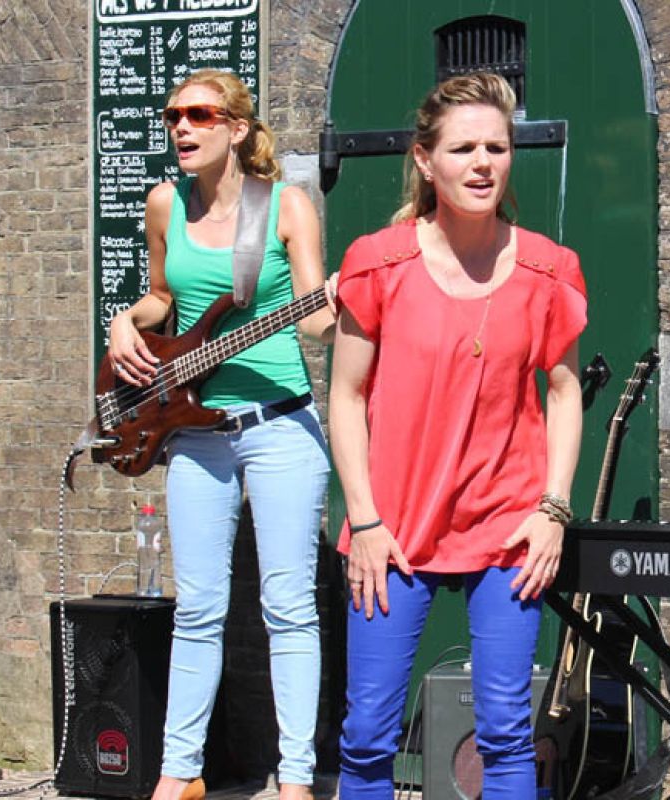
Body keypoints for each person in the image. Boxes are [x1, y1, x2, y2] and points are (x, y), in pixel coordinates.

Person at [328, 71, 585, 799]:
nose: (482, 163)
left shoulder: (548, 270)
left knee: (505, 732)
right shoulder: (377, 262)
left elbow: (563, 394)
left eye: (497, 148)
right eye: (464, 147)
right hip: (392, 530)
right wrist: (364, 517)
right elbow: (344, 397)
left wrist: (553, 508)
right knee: (368, 735)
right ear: (423, 159)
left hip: (507, 529)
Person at [106, 68, 334, 800]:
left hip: (279, 425)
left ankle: (295, 779)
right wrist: (122, 322)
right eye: (173, 115)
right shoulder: (163, 204)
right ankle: (180, 774)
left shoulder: (287, 207)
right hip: (194, 431)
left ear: (236, 127)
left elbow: (313, 316)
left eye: (199, 115)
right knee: (198, 608)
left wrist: (346, 306)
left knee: (289, 607)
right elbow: (164, 298)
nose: (181, 127)